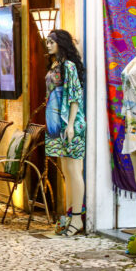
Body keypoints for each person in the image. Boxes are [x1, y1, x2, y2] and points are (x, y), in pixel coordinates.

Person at [45, 29, 88, 237]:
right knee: (67, 172)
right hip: (57, 124)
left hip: (70, 124)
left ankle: (78, 217)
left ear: (61, 43)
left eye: (52, 41)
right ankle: (70, 213)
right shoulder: (56, 65)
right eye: (47, 41)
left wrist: (70, 124)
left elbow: (74, 96)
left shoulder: (69, 67)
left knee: (74, 169)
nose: (48, 44)